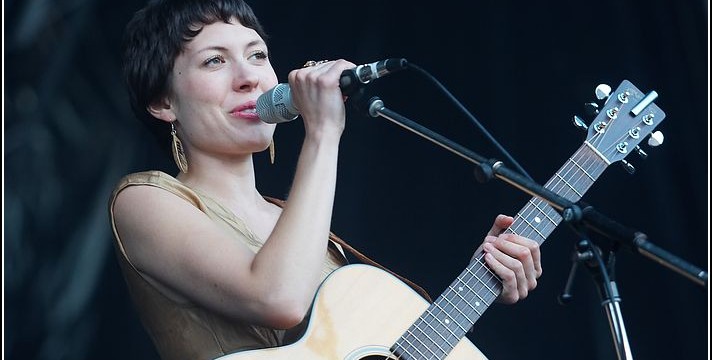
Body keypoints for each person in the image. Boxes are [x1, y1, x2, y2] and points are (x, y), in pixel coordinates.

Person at [109, 0, 543, 359]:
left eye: (257, 55)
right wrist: (322, 132)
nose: (249, 78)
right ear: (163, 102)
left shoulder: (297, 222)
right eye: (214, 61)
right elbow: (278, 298)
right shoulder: (143, 201)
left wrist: (483, 280)